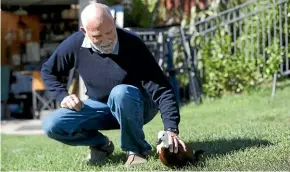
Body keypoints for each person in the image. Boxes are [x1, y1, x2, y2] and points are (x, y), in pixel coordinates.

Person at [41, 2, 186, 167]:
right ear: (84, 31)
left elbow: (162, 88)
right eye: (97, 36)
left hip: (138, 106)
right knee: (52, 125)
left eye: (109, 32)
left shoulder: (132, 43)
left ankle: (136, 151)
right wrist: (63, 95)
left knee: (120, 93)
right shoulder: (75, 44)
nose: (105, 40)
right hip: (101, 107)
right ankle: (101, 145)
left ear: (114, 21)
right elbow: (48, 71)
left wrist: (171, 129)